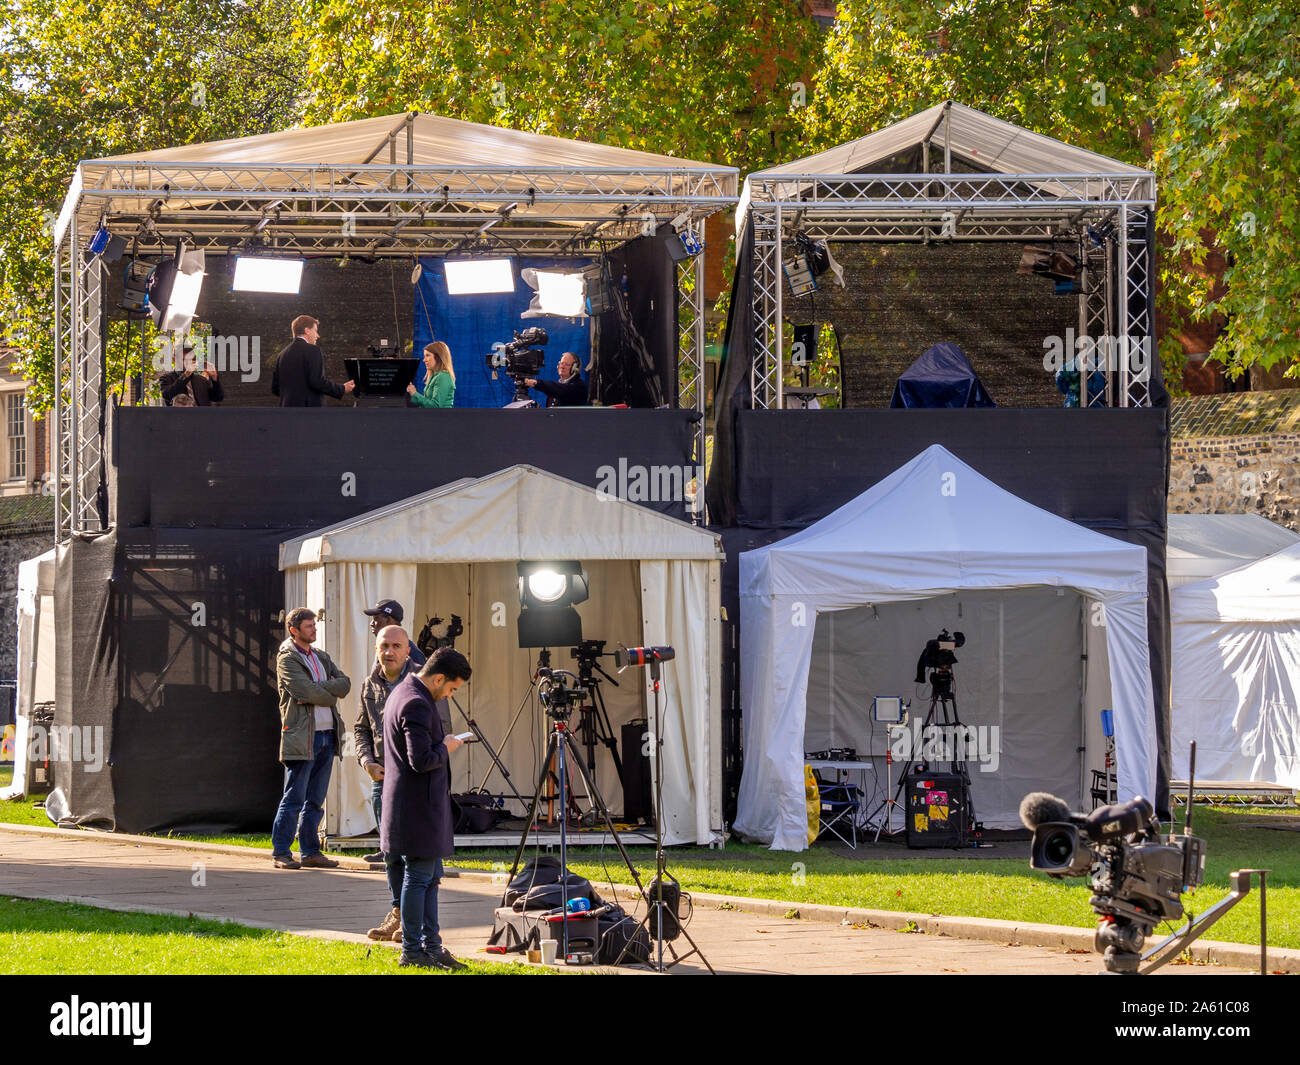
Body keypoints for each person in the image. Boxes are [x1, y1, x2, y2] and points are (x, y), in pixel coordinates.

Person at [381, 646, 472, 969]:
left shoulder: (403, 690)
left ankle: (431, 946)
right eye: (451, 688)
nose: (449, 695)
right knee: (419, 879)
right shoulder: (417, 703)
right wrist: (446, 746)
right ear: (437, 678)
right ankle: (413, 950)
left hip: (415, 804)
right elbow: (420, 760)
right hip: (417, 806)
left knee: (430, 877)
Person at [272, 607, 352, 869]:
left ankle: (310, 852)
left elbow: (345, 684)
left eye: (314, 625)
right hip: (302, 737)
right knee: (294, 796)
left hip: (328, 736)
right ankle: (281, 852)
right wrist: (326, 692)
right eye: (309, 626)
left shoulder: (320, 656)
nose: (314, 630)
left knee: (316, 799)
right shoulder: (287, 658)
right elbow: (304, 690)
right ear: (294, 630)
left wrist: (320, 692)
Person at [355, 624, 418, 928]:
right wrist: (367, 760)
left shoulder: (422, 681)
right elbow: (360, 729)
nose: (389, 652)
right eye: (384, 646)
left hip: (414, 780)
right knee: (390, 852)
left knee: (414, 855)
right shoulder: (369, 684)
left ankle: (413, 921)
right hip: (382, 780)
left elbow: (439, 732)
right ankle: (398, 914)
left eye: (396, 646)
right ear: (377, 649)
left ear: (407, 650)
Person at [271, 315, 355, 407]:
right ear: (307, 330)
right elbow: (317, 381)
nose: (318, 336)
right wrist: (342, 389)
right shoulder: (313, 350)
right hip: (309, 413)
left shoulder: (282, 355)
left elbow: (275, 389)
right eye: (315, 331)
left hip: (286, 412)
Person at [362, 599, 426, 669]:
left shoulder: (413, 654)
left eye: (376, 619)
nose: (371, 624)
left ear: (389, 620)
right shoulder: (381, 647)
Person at [160, 343, 224, 406]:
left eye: (190, 359)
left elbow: (218, 397)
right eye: (184, 359)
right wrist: (185, 375)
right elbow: (167, 395)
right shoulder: (166, 378)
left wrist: (214, 378)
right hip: (180, 416)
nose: (187, 363)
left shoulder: (201, 380)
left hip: (202, 415)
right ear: (174, 360)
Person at [405, 341, 455, 408]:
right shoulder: (435, 376)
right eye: (424, 356)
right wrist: (413, 393)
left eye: (428, 355)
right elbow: (427, 403)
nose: (424, 360)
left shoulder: (443, 376)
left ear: (438, 357)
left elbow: (436, 406)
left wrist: (414, 394)